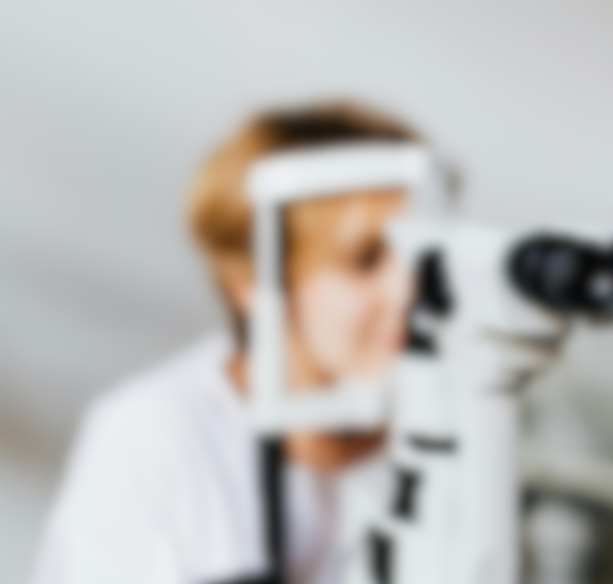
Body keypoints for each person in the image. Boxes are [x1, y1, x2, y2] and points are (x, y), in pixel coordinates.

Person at [33, 100, 424, 584]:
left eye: (421, 255)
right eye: (364, 261)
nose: (408, 290)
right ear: (253, 284)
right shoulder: (159, 437)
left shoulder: (451, 436)